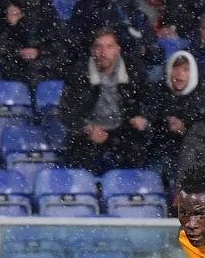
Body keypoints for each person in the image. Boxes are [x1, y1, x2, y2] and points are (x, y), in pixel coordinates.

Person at [58, 29, 151, 174]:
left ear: (118, 50)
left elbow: (150, 100)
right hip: (88, 134)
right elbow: (66, 113)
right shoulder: (78, 74)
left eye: (109, 46)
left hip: (123, 132)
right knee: (79, 161)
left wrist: (141, 116)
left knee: (137, 154)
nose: (103, 52)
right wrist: (88, 129)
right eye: (98, 46)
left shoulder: (134, 71)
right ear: (92, 50)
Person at [0, 0, 66, 88]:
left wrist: (39, 51)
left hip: (43, 66)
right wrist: (10, 26)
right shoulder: (0, 14)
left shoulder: (47, 12)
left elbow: (58, 43)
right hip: (13, 67)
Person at [151, 50, 205, 180]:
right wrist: (166, 123)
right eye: (175, 68)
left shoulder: (202, 98)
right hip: (161, 152)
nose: (179, 73)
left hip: (191, 155)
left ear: (193, 73)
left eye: (185, 69)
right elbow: (150, 123)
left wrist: (185, 129)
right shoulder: (158, 92)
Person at [67, 0, 162, 66]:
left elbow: (153, 50)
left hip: (132, 68)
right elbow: (77, 42)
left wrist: (146, 50)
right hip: (95, 67)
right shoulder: (89, 4)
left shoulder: (133, 5)